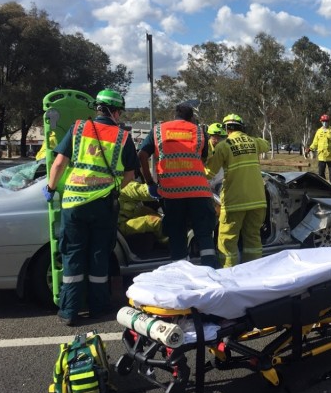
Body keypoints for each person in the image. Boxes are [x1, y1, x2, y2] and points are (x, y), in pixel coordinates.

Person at [43, 89, 138, 326]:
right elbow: (130, 174)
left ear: (97, 109)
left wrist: (51, 188)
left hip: (74, 203)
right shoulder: (123, 137)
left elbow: (59, 163)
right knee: (99, 255)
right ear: (115, 111)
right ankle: (98, 307)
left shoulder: (77, 129)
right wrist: (114, 186)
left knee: (73, 254)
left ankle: (69, 311)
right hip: (104, 204)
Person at [137, 104, 218, 267]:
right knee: (204, 235)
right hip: (199, 192)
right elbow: (202, 158)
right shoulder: (199, 132)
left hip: (172, 193)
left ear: (175, 116)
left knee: (177, 233)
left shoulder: (159, 130)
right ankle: (210, 272)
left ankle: (180, 272)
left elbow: (142, 154)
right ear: (191, 117)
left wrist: (149, 182)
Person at [205, 114, 270, 267]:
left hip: (235, 202)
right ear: (242, 127)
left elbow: (209, 173)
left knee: (227, 242)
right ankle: (252, 272)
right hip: (258, 201)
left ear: (226, 129)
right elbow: (266, 144)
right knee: (253, 239)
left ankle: (229, 274)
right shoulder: (254, 142)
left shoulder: (224, 146)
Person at [118, 180, 168, 247]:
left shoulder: (118, 184)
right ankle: (169, 243)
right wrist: (168, 187)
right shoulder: (125, 186)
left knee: (149, 211)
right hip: (121, 225)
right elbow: (144, 191)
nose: (133, 174)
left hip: (129, 214)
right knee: (155, 221)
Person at [307, 113, 331, 185]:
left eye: (326, 121)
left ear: (328, 122)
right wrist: (310, 149)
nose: (325, 123)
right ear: (321, 122)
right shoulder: (319, 131)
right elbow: (315, 143)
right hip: (321, 156)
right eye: (323, 121)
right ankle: (324, 186)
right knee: (321, 173)